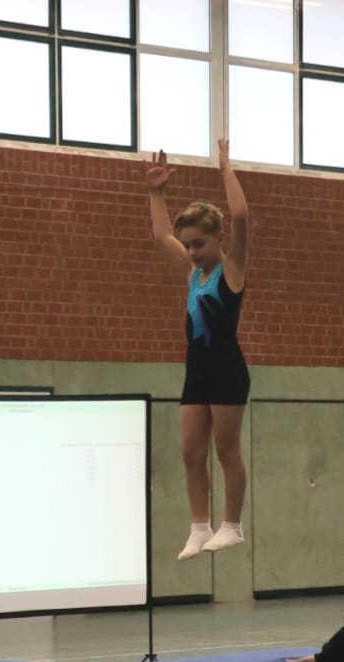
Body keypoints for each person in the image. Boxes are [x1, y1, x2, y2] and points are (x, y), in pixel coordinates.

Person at [147, 138, 250, 561]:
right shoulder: (193, 274)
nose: (191, 251)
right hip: (197, 371)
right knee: (191, 450)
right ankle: (199, 526)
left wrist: (226, 170)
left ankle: (232, 526)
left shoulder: (231, 270)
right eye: (188, 245)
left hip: (227, 370)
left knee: (226, 449)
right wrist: (156, 193)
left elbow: (241, 216)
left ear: (218, 238)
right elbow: (161, 236)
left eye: (199, 244)